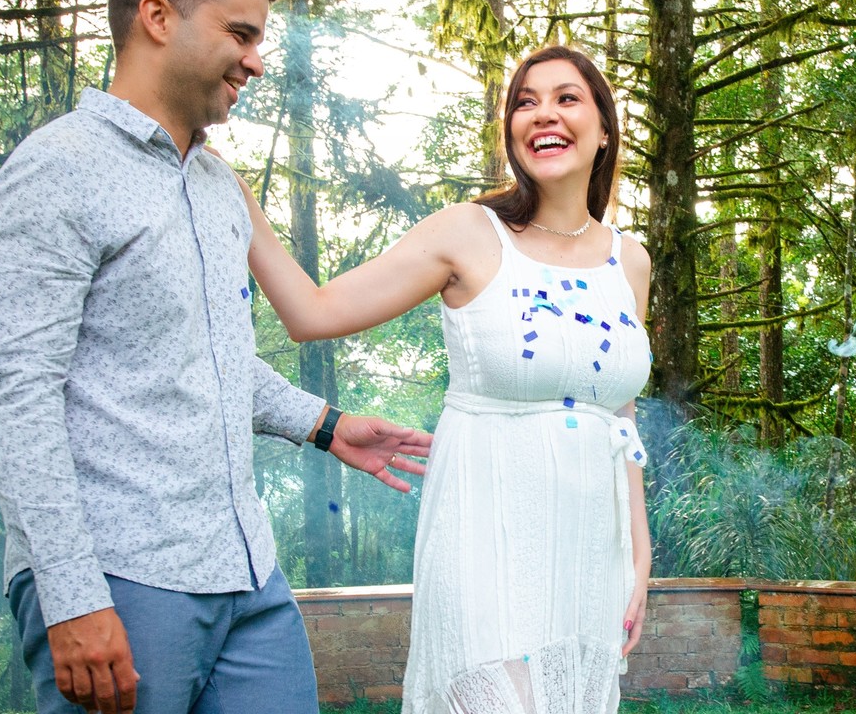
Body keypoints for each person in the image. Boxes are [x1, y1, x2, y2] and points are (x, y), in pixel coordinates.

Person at [0, 0, 431, 714]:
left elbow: (206, 357)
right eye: (240, 34)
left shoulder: (216, 187)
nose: (256, 61)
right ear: (157, 17)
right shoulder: (53, 172)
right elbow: (16, 399)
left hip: (247, 575)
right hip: (120, 577)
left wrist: (326, 425)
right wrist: (71, 595)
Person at [241, 44, 653, 713]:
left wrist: (639, 552)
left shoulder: (630, 261)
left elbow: (621, 416)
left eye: (566, 98)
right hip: (486, 535)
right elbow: (312, 313)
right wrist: (238, 199)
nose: (543, 114)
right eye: (526, 102)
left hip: (587, 549)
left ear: (604, 129)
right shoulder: (469, 231)